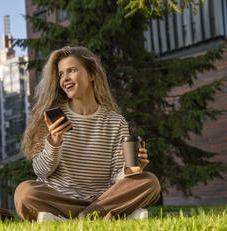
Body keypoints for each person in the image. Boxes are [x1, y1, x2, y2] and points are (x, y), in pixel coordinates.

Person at [14, 46, 161, 221]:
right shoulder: (53, 118)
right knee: (25, 192)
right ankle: (106, 216)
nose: (65, 78)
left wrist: (131, 170)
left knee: (150, 182)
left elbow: (118, 176)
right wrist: (54, 142)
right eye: (61, 74)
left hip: (102, 198)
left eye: (72, 70)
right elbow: (42, 171)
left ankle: (70, 219)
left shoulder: (115, 122)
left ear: (91, 75)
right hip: (63, 199)